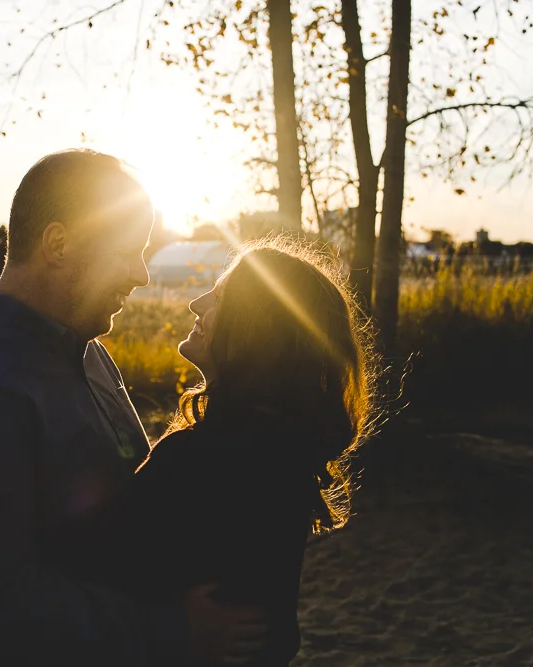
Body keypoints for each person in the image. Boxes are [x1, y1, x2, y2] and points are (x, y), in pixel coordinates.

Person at [0, 149, 265, 667]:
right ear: (58, 244)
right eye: (129, 251)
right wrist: (171, 631)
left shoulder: (85, 349)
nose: (142, 274)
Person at [79, 236, 378, 666]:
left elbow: (95, 569)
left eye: (219, 298)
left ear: (256, 328)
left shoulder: (198, 458)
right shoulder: (284, 450)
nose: (196, 305)